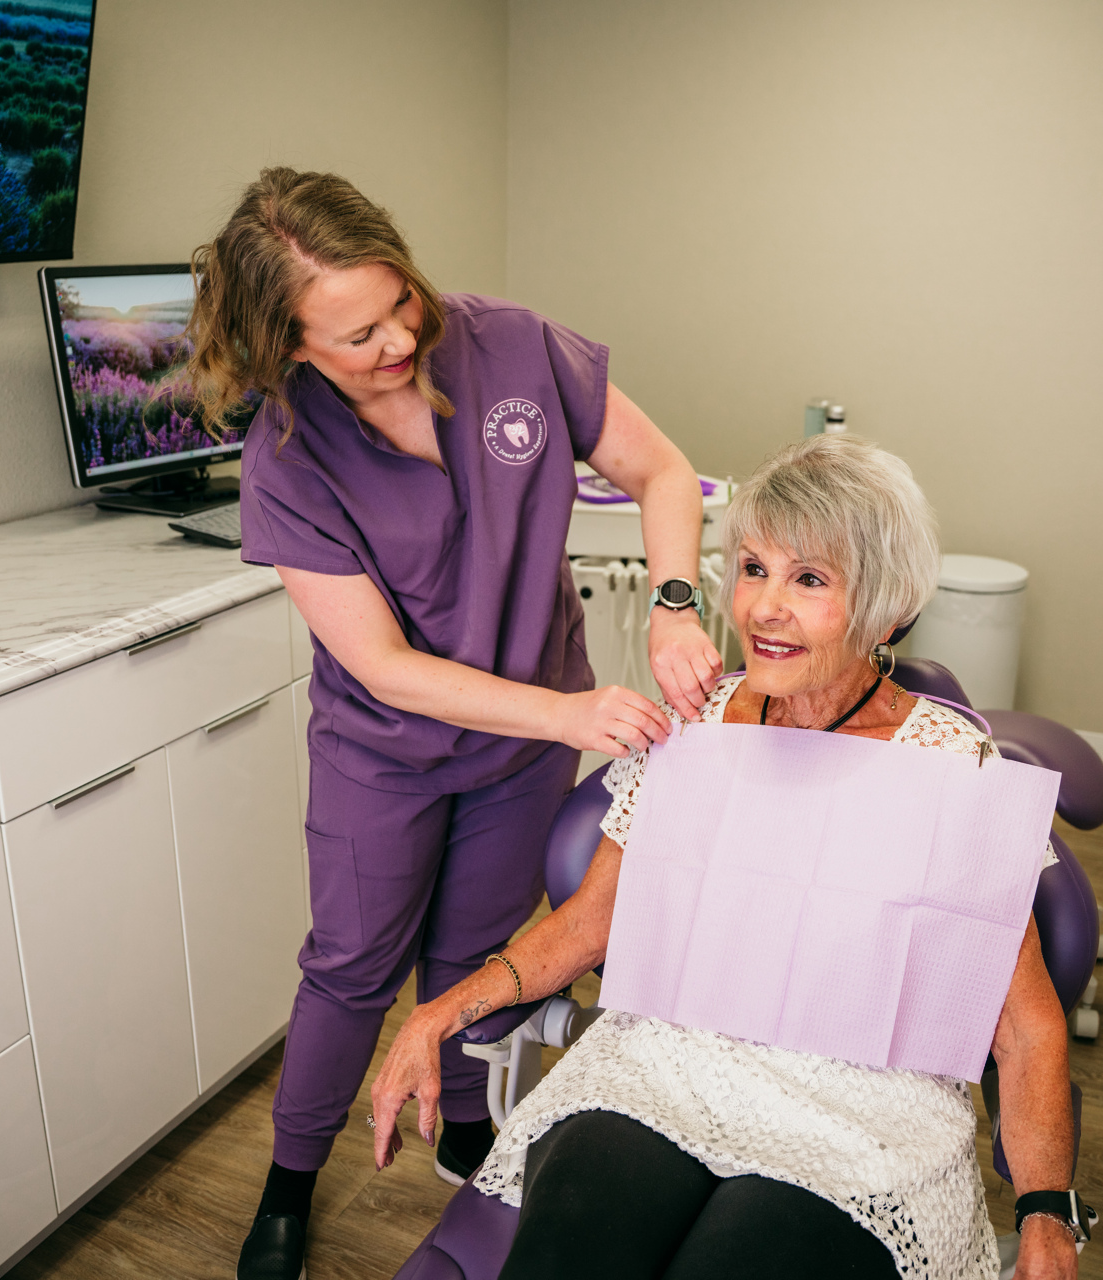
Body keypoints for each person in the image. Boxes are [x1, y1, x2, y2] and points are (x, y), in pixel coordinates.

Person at [181, 168, 723, 1280]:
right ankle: (289, 1179)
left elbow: (663, 471)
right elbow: (383, 663)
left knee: (477, 954)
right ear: (286, 348)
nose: (394, 342)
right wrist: (572, 709)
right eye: (353, 335)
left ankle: (468, 1123)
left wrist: (674, 601)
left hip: (521, 754)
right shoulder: (286, 461)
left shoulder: (514, 346)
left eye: (399, 307)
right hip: (388, 756)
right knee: (349, 967)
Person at [370, 435, 1081, 1280]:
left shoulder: (947, 763)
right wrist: (438, 1012)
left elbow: (1023, 1020)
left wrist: (1046, 1214)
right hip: (666, 1067)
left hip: (860, 1107)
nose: (765, 608)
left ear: (884, 608)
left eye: (810, 579)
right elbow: (589, 923)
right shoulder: (692, 730)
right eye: (753, 568)